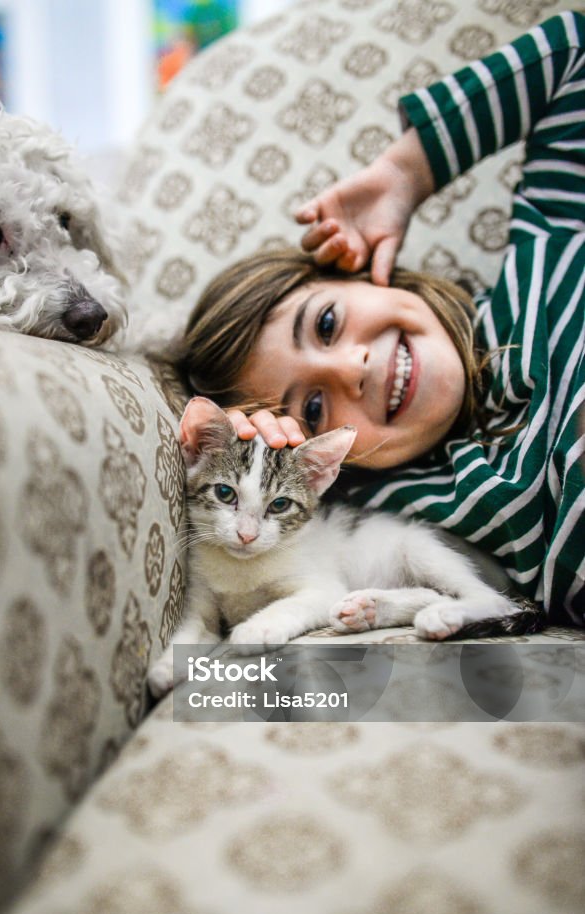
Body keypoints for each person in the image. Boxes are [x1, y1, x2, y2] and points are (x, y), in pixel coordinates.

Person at [180, 10, 585, 626]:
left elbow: (574, 49)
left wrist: (406, 172)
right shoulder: (399, 497)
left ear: (361, 271)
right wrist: (249, 457)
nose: (353, 368)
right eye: (312, 409)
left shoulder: (542, 248)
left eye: (326, 324)